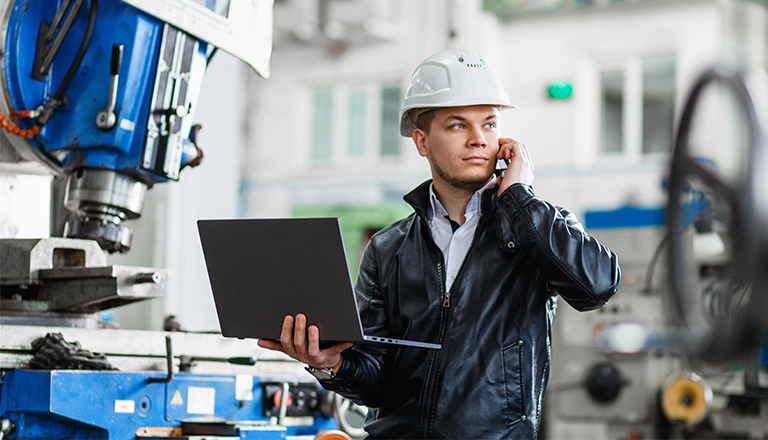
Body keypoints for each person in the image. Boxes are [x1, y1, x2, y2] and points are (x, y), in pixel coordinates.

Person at [258, 49, 621, 439]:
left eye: (490, 124)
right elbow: (375, 381)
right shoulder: (388, 248)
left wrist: (520, 197)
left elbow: (597, 286)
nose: (479, 139)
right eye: (457, 126)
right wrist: (330, 364)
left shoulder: (534, 229)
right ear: (421, 141)